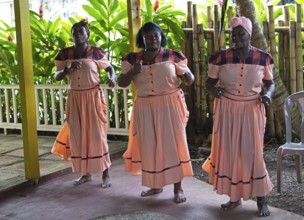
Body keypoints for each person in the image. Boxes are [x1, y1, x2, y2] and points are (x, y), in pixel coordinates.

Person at [202, 16, 275, 217]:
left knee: (253, 153)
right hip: (227, 109)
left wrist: (267, 95)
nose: (236, 38)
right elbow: (209, 82)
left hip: (252, 109)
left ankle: (261, 199)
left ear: (249, 35)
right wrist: (213, 91)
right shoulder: (220, 57)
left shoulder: (263, 58)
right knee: (231, 152)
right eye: (233, 34)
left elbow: (270, 83)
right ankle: (235, 198)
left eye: (240, 33)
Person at [118, 22, 195, 203]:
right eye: (148, 36)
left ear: (161, 37)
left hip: (169, 106)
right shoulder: (131, 59)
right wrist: (132, 73)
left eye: (156, 35)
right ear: (142, 39)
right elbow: (121, 82)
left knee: (174, 145)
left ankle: (178, 188)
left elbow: (189, 79)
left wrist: (188, 76)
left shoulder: (173, 56)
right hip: (145, 107)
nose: (152, 39)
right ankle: (155, 185)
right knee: (150, 147)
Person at [51, 21, 115, 188]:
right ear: (71, 35)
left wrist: (112, 77)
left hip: (93, 97)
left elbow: (109, 68)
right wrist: (67, 69)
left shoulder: (96, 52)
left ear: (88, 35)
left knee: (97, 135)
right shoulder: (64, 54)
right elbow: (57, 76)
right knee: (78, 136)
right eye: (75, 32)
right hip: (75, 98)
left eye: (81, 31)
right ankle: (84, 174)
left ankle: (105, 173)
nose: (78, 34)